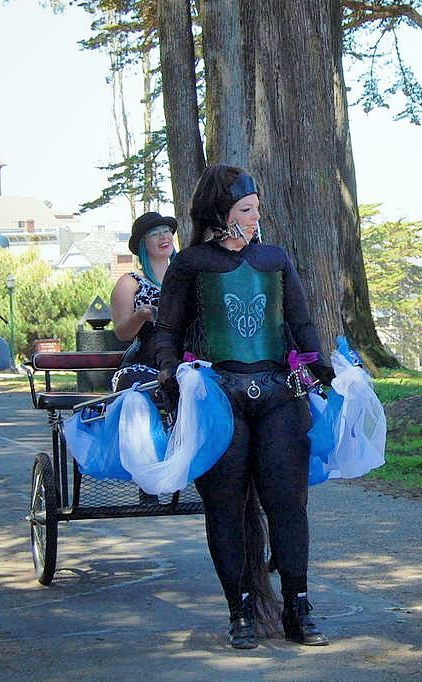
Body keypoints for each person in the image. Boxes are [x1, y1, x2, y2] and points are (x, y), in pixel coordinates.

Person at [153, 164, 332, 650]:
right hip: (217, 398)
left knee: (287, 506)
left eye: (256, 209)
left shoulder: (274, 258)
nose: (256, 218)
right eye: (246, 210)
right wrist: (170, 369)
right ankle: (241, 612)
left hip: (278, 393)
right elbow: (167, 331)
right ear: (220, 213)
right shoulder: (190, 264)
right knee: (225, 508)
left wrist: (319, 365)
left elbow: (301, 321)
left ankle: (298, 607)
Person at [110, 212, 177, 391]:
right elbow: (122, 333)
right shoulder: (129, 282)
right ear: (142, 243)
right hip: (142, 364)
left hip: (182, 363)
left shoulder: (187, 279)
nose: (164, 237)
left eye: (167, 231)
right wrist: (139, 316)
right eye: (155, 233)